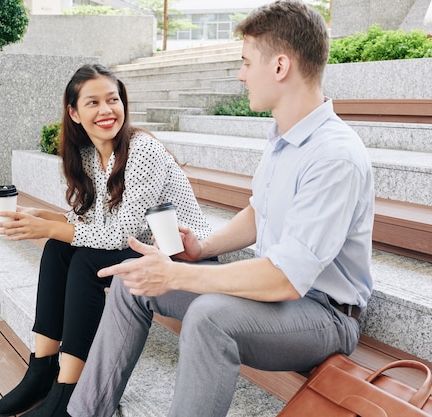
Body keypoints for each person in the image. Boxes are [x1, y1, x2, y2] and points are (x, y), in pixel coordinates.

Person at [65, 1, 375, 417]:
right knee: (132, 281)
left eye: (247, 62)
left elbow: (284, 279)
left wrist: (177, 272)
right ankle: (85, 413)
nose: (241, 74)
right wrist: (201, 247)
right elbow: (256, 213)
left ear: (280, 67)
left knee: (210, 316)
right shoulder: (283, 138)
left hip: (324, 315)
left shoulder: (335, 156)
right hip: (274, 300)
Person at [0, 64, 212, 417]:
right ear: (74, 113)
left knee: (87, 261)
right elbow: (90, 222)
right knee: (60, 248)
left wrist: (51, 227)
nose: (106, 110)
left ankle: (68, 390)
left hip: (181, 254)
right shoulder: (90, 155)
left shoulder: (143, 150)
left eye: (113, 99)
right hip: (140, 246)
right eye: (93, 103)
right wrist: (42, 219)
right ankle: (42, 368)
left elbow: (120, 233)